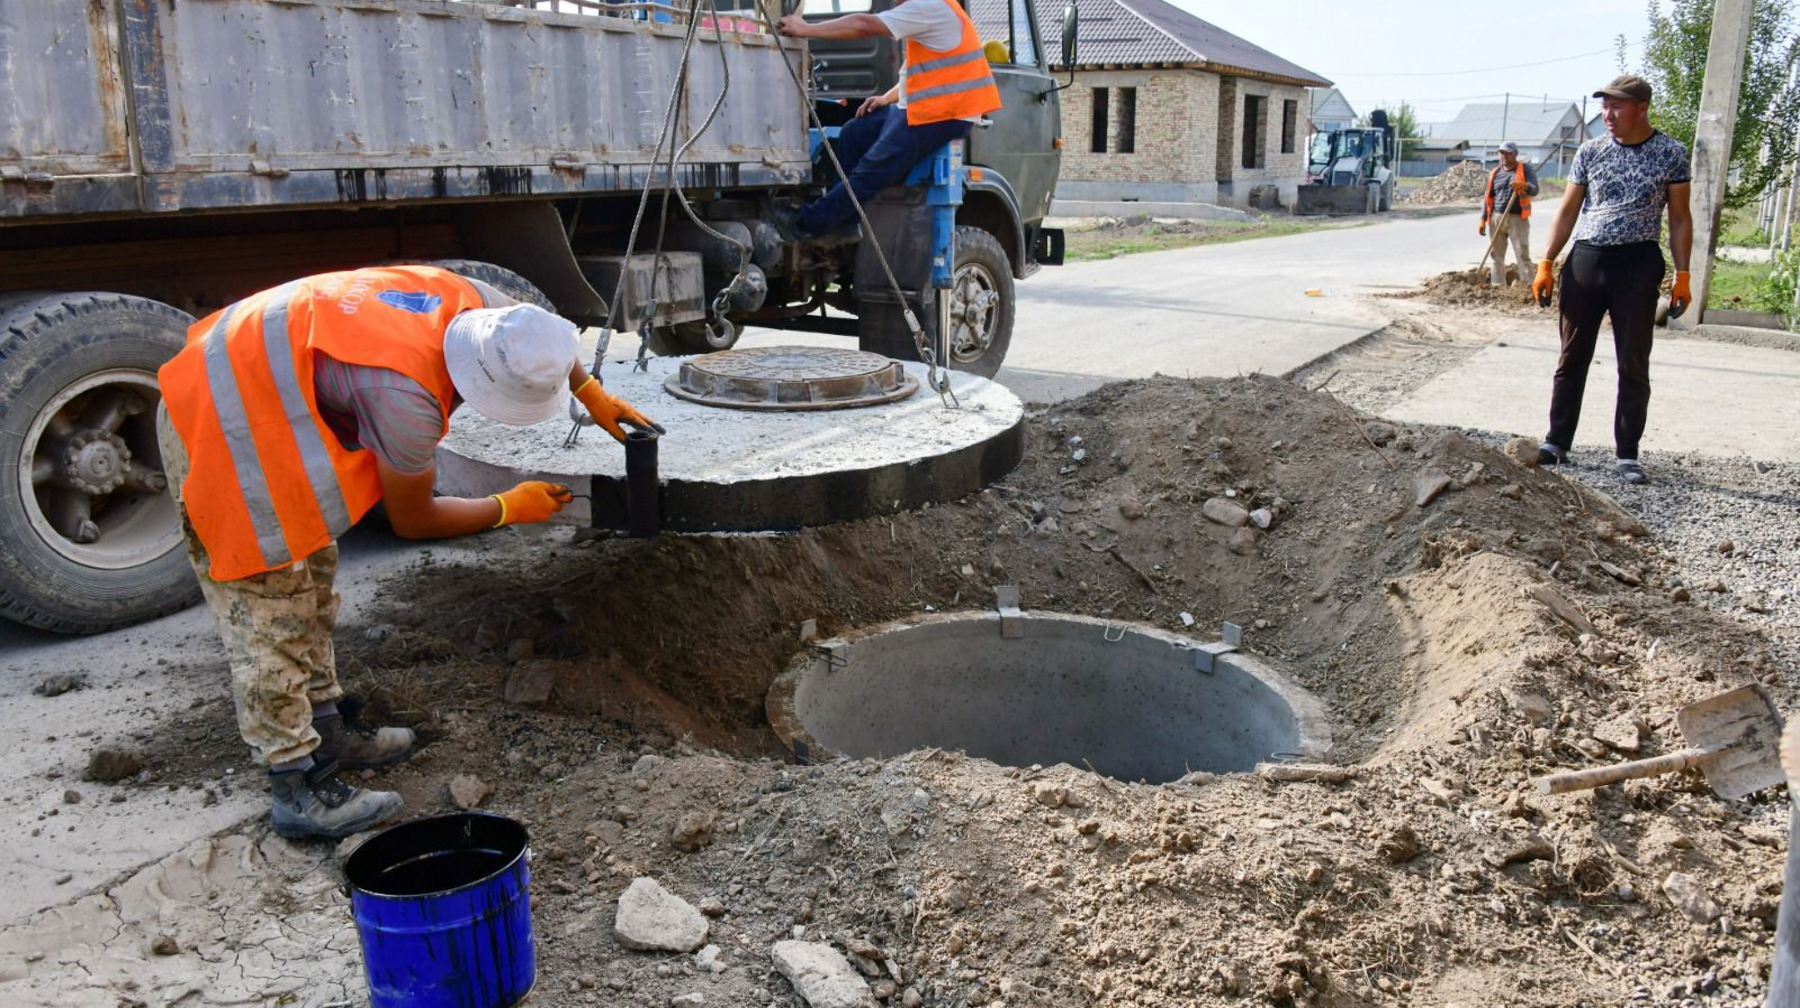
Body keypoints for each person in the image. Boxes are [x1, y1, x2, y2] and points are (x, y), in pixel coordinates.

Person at [156, 265, 662, 839]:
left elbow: (537, 333)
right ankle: (295, 782)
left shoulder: (469, 301)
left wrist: (587, 388)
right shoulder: (405, 398)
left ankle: (327, 724)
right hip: (215, 417)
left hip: (261, 373)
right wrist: (508, 507)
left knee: (314, 574)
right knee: (270, 606)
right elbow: (413, 519)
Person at [1530, 74, 1692, 484]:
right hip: (1587, 260)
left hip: (1637, 264)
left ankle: (1627, 454)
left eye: (1616, 106)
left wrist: (1683, 272)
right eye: (1604, 107)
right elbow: (1568, 211)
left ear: (1641, 108)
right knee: (1571, 357)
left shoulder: (1671, 153)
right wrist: (1547, 261)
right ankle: (1557, 440)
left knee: (1633, 361)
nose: (1608, 115)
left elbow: (1678, 217)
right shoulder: (1590, 151)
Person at [776, 0, 1002, 242]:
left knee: (871, 171)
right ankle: (847, 224)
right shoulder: (934, 9)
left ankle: (806, 224)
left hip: (940, 114)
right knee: (854, 134)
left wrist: (804, 29)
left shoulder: (929, 8)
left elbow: (863, 25)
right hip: (920, 107)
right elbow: (918, 71)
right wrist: (886, 98)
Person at [1479, 140, 1538, 286]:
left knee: (1522, 252)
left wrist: (1525, 186)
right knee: (1496, 255)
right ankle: (1497, 284)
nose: (1504, 156)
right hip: (1496, 217)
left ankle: (1528, 284)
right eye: (1502, 153)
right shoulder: (1495, 173)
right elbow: (1487, 198)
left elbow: (1535, 189)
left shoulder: (1525, 169)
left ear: (1515, 154)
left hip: (1517, 218)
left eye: (1508, 153)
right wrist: (1483, 219)